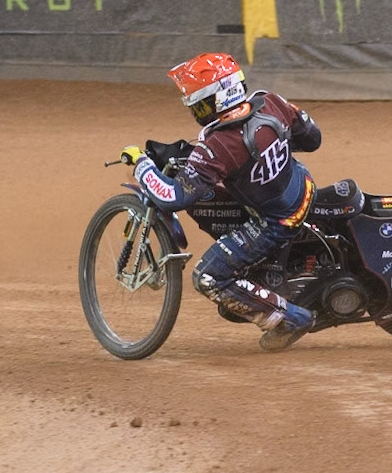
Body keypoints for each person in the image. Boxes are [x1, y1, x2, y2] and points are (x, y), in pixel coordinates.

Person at [120, 51, 320, 351]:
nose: (194, 109)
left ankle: (291, 319)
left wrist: (142, 166)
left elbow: (176, 196)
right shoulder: (271, 101)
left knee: (207, 277)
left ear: (219, 98)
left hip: (276, 221)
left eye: (199, 103)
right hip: (302, 186)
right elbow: (312, 139)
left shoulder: (220, 144)